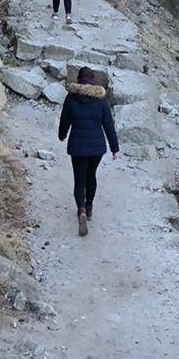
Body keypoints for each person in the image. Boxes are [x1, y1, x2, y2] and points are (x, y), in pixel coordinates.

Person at [57, 66, 119, 236]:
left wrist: (62, 135)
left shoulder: (71, 98)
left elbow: (65, 120)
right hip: (96, 147)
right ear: (93, 81)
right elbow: (109, 126)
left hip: (77, 146)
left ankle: (81, 210)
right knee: (91, 176)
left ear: (78, 80)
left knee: (79, 179)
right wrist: (115, 149)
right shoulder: (101, 100)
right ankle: (89, 207)